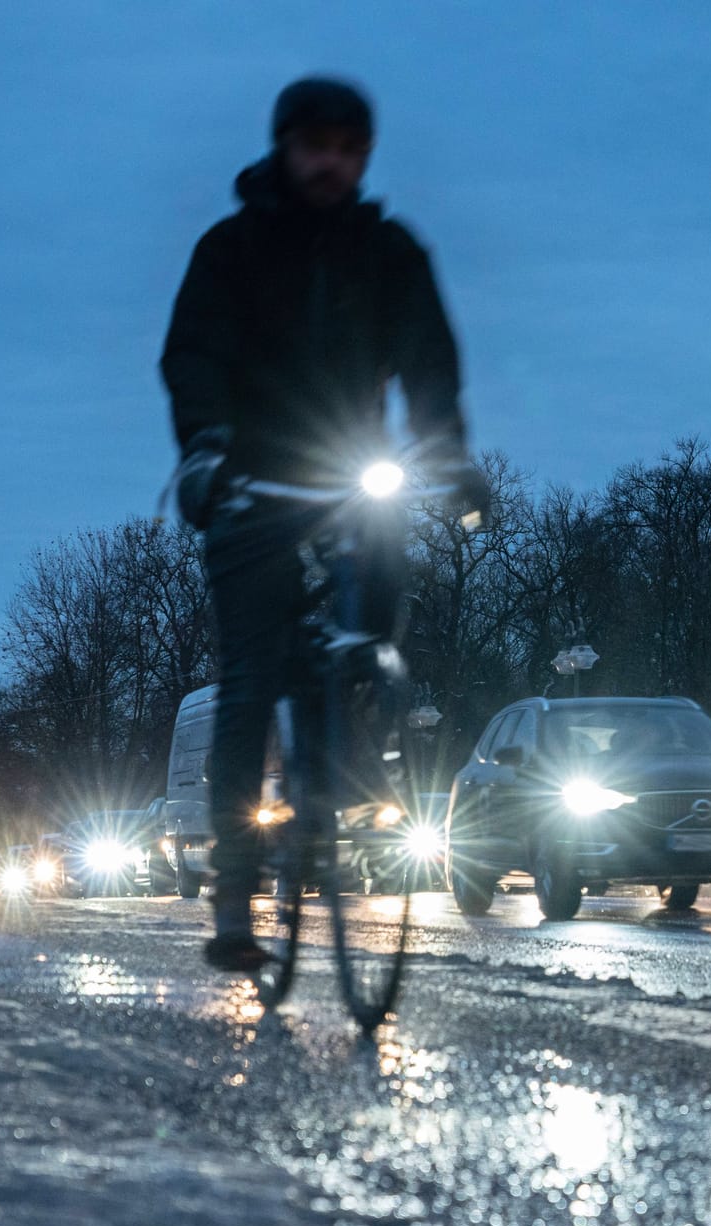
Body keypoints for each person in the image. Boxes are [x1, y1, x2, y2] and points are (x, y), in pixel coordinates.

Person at [160, 76, 488, 971]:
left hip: (349, 473)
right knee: (249, 680)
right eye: (317, 146)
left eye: (349, 150)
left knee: (377, 605)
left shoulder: (389, 254)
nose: (332, 164)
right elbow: (193, 353)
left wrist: (449, 456)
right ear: (285, 148)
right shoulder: (232, 249)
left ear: (363, 158)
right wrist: (205, 450)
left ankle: (349, 755)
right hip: (249, 478)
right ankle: (235, 891)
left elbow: (430, 363)